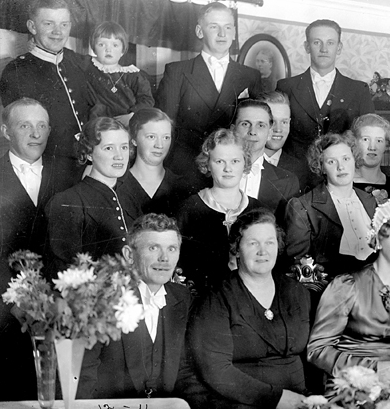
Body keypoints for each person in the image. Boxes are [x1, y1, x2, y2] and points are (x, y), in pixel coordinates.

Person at [187, 208, 310, 409]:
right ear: (236, 249)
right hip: (242, 407)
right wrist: (275, 399)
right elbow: (216, 370)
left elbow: (309, 353)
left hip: (298, 402)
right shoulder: (217, 298)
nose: (262, 251)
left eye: (269, 242)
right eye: (253, 243)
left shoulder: (296, 292)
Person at [307, 198, 390, 377]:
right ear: (380, 240)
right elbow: (318, 350)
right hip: (353, 383)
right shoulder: (347, 287)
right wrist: (374, 369)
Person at [78, 213, 191, 399]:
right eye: (153, 248)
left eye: (172, 249)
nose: (164, 258)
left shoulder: (182, 297)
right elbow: (82, 377)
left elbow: (186, 370)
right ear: (129, 255)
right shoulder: (103, 298)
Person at [0, 98, 59, 402]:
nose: (36, 134)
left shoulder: (68, 175)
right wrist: (11, 300)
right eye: (25, 126)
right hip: (2, 313)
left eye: (42, 125)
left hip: (57, 311)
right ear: (6, 131)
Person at [155, 2, 262, 189]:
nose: (222, 34)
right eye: (214, 27)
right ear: (199, 31)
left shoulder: (250, 76)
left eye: (227, 27)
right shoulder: (177, 71)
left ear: (234, 32)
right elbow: (164, 127)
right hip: (186, 168)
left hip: (231, 170)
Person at [0, 0, 94, 189]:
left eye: (64, 24)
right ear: (32, 27)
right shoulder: (17, 71)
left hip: (90, 166)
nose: (58, 32)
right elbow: (23, 134)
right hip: (48, 173)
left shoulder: (79, 62)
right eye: (49, 24)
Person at [175, 129, 262, 295]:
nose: (228, 168)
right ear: (207, 164)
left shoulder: (258, 210)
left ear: (245, 163)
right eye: (220, 161)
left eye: (235, 161)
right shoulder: (189, 209)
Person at [276, 19, 374, 164]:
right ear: (307, 47)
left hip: (341, 171)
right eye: (317, 42)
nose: (324, 49)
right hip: (295, 172)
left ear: (339, 48)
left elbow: (368, 137)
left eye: (330, 43)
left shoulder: (359, 90)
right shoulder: (286, 87)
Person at [44, 117, 131, 276]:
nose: (119, 156)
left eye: (124, 147)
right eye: (109, 148)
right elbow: (66, 273)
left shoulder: (130, 197)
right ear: (89, 154)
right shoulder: (68, 201)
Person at [284, 132, 377, 277]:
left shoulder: (369, 200)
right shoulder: (302, 206)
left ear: (355, 160)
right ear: (321, 167)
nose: (341, 167)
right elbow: (299, 268)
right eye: (331, 162)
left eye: (346, 159)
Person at [116, 108, 192, 227]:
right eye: (151, 137)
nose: (160, 145)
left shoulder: (182, 188)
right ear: (134, 139)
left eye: (166, 137)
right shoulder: (117, 187)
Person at [233, 100, 299, 220]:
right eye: (245, 124)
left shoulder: (288, 182)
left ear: (269, 133)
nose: (252, 132)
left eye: (260, 125)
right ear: (233, 130)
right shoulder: (213, 172)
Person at [85, 21, 154, 124]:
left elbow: (147, 100)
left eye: (115, 45)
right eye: (101, 44)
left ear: (122, 50)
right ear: (94, 49)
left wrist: (132, 116)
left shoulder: (133, 75)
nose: (108, 50)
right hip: (98, 123)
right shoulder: (88, 67)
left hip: (127, 122)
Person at [258, 91, 316, 193]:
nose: (278, 129)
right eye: (272, 122)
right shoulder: (239, 162)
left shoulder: (302, 170)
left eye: (284, 122)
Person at [352, 113, 390, 201]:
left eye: (379, 141)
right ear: (354, 142)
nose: (372, 147)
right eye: (366, 139)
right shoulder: (343, 184)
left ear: (386, 145)